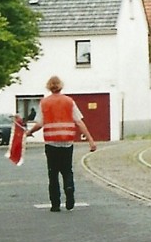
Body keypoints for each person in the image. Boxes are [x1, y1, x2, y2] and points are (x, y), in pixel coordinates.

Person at [25, 75, 97, 212]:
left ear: (48, 87)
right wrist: (90, 140)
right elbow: (79, 122)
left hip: (51, 143)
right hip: (67, 142)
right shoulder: (69, 101)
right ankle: (69, 190)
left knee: (53, 174)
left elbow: (39, 123)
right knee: (67, 170)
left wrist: (29, 132)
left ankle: (55, 204)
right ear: (61, 86)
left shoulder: (45, 103)